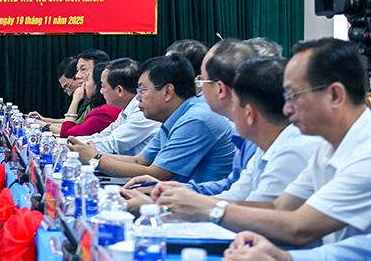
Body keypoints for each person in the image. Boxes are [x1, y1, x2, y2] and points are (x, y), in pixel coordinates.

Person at [158, 38, 371, 247]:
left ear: (335, 95)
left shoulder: (363, 153)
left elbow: (299, 228)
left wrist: (209, 209)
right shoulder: (327, 145)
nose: (287, 109)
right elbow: (278, 207)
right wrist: (196, 203)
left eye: (293, 95)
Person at [126, 40, 259, 196]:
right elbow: (230, 186)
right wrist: (173, 191)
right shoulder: (243, 130)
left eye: (201, 81)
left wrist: (178, 199)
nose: (197, 88)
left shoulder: (200, 118)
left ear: (220, 89)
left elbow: (250, 202)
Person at [78, 54, 235, 183]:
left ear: (167, 91)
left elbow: (156, 173)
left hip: (201, 203)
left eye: (142, 90)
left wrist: (95, 158)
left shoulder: (196, 119)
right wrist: (89, 153)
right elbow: (139, 161)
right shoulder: (174, 116)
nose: (137, 98)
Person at [69, 57, 160, 156]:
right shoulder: (126, 110)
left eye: (103, 86)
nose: (101, 91)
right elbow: (103, 136)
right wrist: (68, 142)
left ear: (119, 90)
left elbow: (112, 144)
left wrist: (72, 145)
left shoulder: (142, 113)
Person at [45, 62, 121, 136]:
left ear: (97, 85)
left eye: (87, 80)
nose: (83, 83)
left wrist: (75, 101)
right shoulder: (98, 108)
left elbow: (66, 133)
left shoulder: (105, 112)